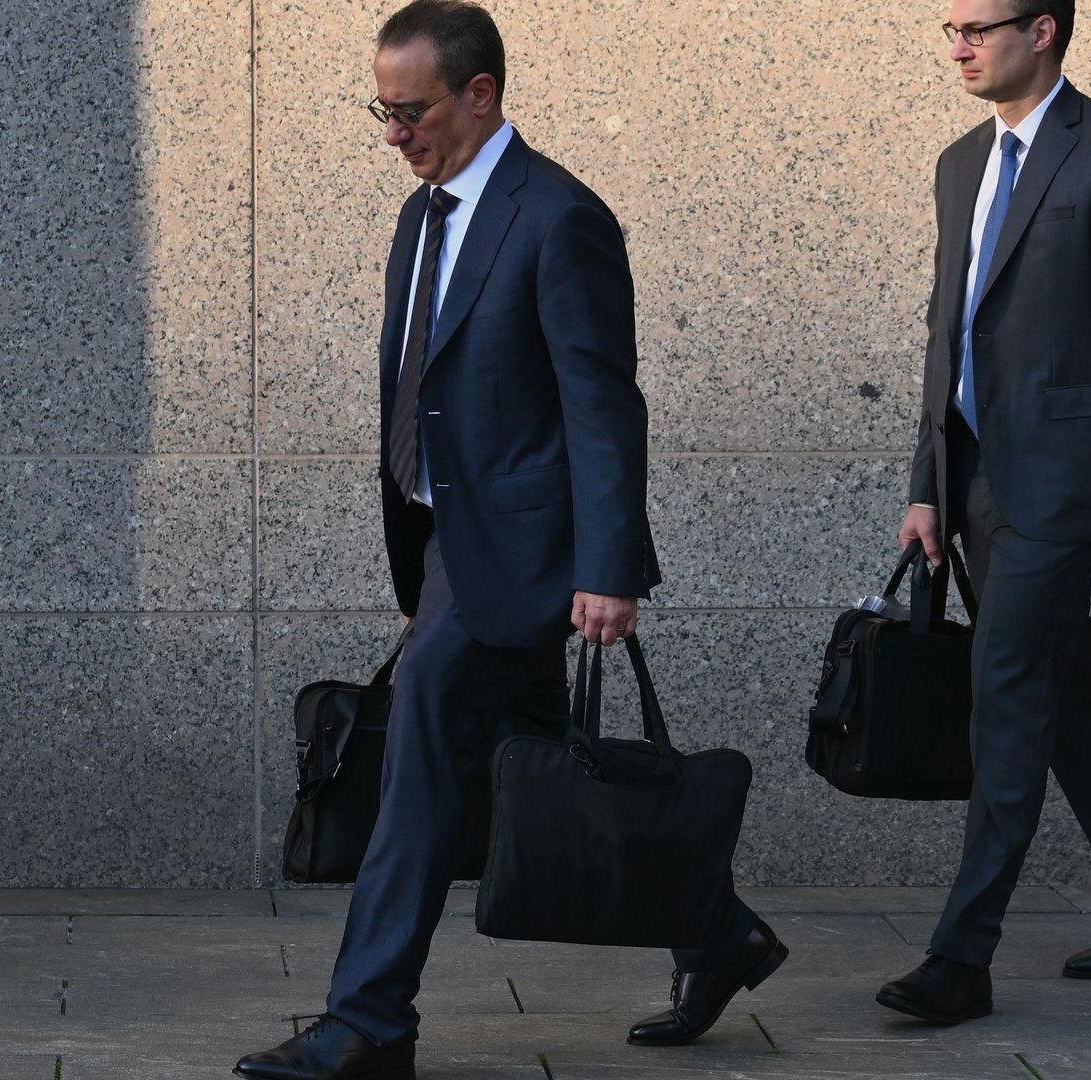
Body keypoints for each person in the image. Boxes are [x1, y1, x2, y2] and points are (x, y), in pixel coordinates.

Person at [233, 4, 784, 1078]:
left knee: (420, 762)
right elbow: (421, 390)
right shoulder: (421, 215)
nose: (393, 133)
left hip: (527, 554)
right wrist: (416, 556)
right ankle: (722, 935)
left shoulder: (559, 217)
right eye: (378, 111)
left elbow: (601, 404)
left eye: (412, 110)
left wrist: (608, 568)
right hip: (450, 546)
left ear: (480, 94)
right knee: (522, 765)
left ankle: (369, 1021)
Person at [875, 0, 1091, 1026]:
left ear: (1046, 31)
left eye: (980, 26)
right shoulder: (956, 164)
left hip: (1064, 481)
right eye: (950, 28)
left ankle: (961, 956)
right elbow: (952, 332)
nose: (961, 45)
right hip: (975, 475)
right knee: (1059, 684)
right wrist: (926, 482)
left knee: (1010, 689)